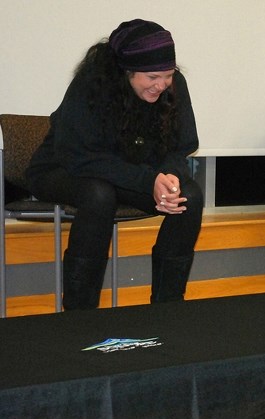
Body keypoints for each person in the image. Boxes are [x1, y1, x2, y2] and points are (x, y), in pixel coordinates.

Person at [26, 19, 203, 310]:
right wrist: (148, 182)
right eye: (152, 77)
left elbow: (183, 144)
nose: (161, 85)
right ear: (127, 72)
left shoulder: (173, 86)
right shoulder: (92, 84)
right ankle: (79, 314)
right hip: (63, 169)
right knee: (99, 195)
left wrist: (168, 178)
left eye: (168, 75)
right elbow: (81, 156)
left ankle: (168, 307)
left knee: (189, 197)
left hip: (124, 174)